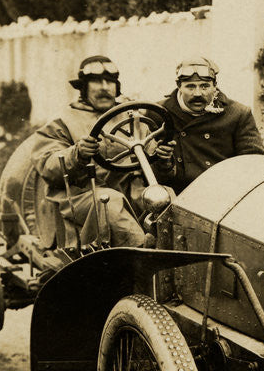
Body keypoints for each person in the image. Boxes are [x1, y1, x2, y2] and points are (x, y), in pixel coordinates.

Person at [31, 55, 173, 247]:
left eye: (110, 82)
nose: (104, 87)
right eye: (96, 82)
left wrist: (164, 160)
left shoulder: (132, 118)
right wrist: (77, 154)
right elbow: (48, 166)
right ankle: (140, 253)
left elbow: (150, 156)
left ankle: (178, 257)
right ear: (83, 88)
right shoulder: (62, 121)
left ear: (117, 87)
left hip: (130, 191)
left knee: (167, 197)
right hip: (81, 194)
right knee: (109, 202)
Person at [157, 57, 264, 193]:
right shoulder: (159, 113)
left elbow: (253, 163)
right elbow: (147, 172)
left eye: (205, 86)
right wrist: (164, 162)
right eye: (190, 86)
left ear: (215, 86)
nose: (198, 93)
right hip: (177, 196)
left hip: (222, 194)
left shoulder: (238, 114)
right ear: (179, 86)